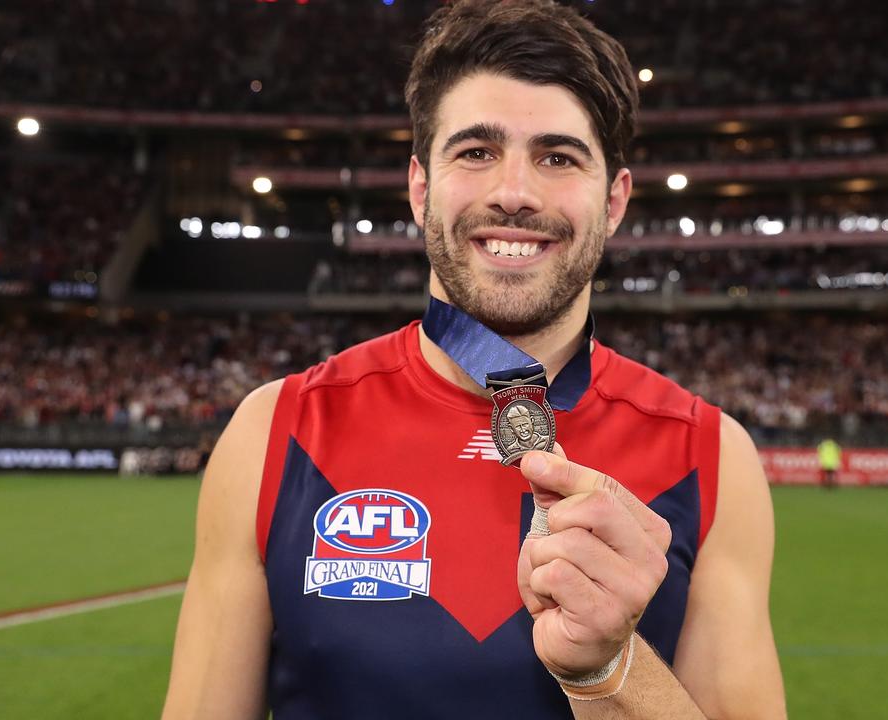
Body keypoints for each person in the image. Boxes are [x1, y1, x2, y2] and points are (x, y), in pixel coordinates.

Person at [162, 1, 786, 717]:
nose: (513, 194)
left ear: (614, 201)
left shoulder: (709, 456)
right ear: (420, 188)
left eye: (558, 157)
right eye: (475, 152)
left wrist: (610, 670)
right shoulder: (277, 430)